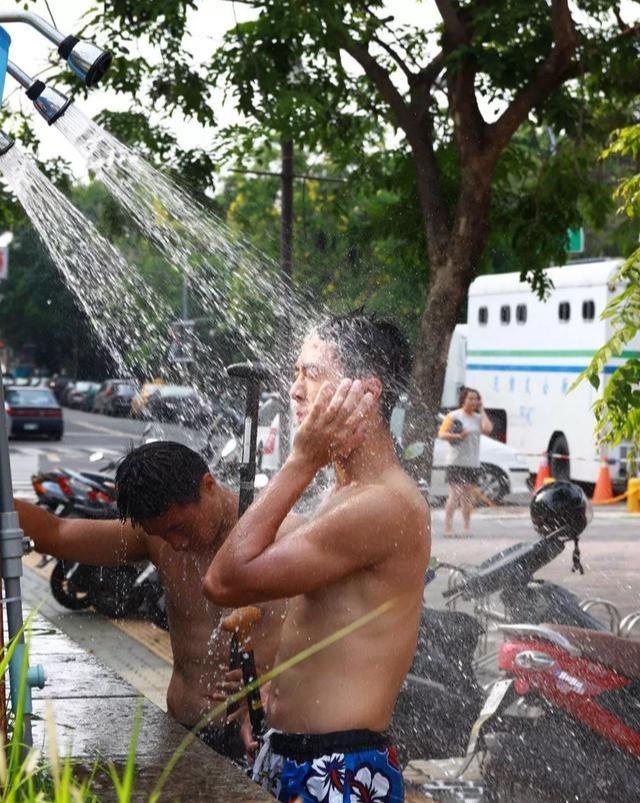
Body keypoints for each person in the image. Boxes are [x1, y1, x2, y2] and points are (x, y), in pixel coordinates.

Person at [204, 312, 431, 803]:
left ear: (365, 395)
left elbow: (224, 580)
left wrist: (301, 460)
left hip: (337, 769)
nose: (294, 390)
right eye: (294, 374)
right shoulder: (346, 492)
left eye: (309, 373)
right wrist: (272, 693)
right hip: (299, 754)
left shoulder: (383, 504)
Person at [14, 441, 290, 759]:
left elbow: (343, 633)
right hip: (183, 731)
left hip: (260, 735)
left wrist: (278, 680)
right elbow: (56, 534)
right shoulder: (155, 539)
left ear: (209, 485)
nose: (176, 543)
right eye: (161, 534)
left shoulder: (280, 538)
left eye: (179, 527)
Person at [438, 386, 493, 537]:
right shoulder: (454, 416)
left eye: (476, 399)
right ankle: (448, 528)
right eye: (471, 398)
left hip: (472, 463)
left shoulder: (478, 418)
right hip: (455, 462)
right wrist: (458, 436)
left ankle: (466, 527)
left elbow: (488, 429)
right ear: (463, 399)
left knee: (467, 497)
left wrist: (482, 410)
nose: (474, 401)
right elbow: (442, 434)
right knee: (454, 495)